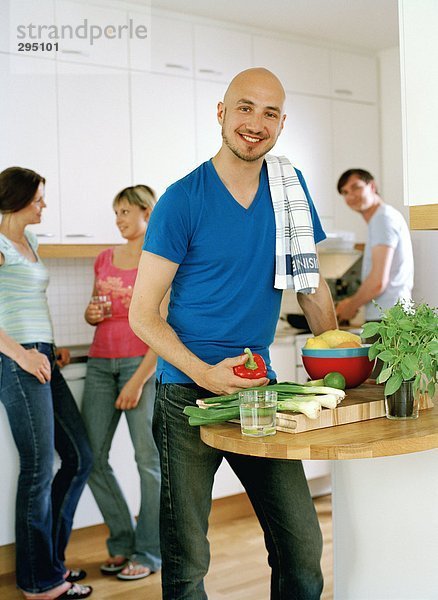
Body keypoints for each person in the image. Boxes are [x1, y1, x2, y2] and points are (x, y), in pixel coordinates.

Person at [129, 67, 337, 599]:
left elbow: (310, 289)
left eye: (270, 113)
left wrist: (337, 365)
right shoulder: (183, 200)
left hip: (258, 391)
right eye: (245, 107)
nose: (256, 122)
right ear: (221, 113)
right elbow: (143, 314)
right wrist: (204, 373)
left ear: (281, 123)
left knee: (301, 547)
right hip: (185, 395)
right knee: (187, 561)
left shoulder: (290, 191)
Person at [0, 166, 93, 600]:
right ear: (17, 199)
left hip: (42, 356)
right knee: (38, 471)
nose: (45, 205)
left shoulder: (31, 242)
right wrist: (22, 353)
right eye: (38, 198)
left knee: (80, 457)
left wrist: (50, 347)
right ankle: (39, 582)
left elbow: (33, 300)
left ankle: (49, 565)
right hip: (16, 359)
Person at [81, 185, 161, 581]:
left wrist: (137, 380)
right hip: (99, 364)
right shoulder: (103, 258)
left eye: (126, 212)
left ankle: (149, 552)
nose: (119, 220)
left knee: (148, 462)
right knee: (90, 457)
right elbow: (97, 309)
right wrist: (92, 314)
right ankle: (123, 541)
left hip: (139, 366)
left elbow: (163, 327)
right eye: (116, 213)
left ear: (148, 211)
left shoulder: (157, 258)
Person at [335, 168, 414, 324]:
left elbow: (378, 282)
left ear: (372, 186)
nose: (350, 196)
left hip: (388, 320)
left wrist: (350, 305)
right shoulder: (383, 218)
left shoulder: (382, 219)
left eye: (356, 187)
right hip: (393, 317)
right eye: (344, 192)